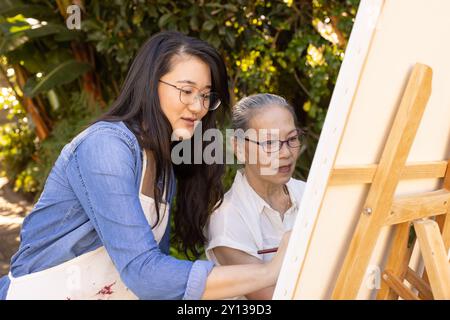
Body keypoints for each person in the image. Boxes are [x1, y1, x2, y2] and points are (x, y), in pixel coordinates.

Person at [0, 32, 290, 300]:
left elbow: (156, 283)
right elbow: (145, 273)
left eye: (205, 95)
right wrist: (269, 271)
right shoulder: (105, 147)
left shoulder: (162, 163)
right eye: (186, 91)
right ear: (151, 84)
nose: (198, 106)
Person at [205, 93, 306, 299]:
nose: (285, 153)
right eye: (269, 143)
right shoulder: (226, 220)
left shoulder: (311, 195)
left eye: (292, 139)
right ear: (239, 147)